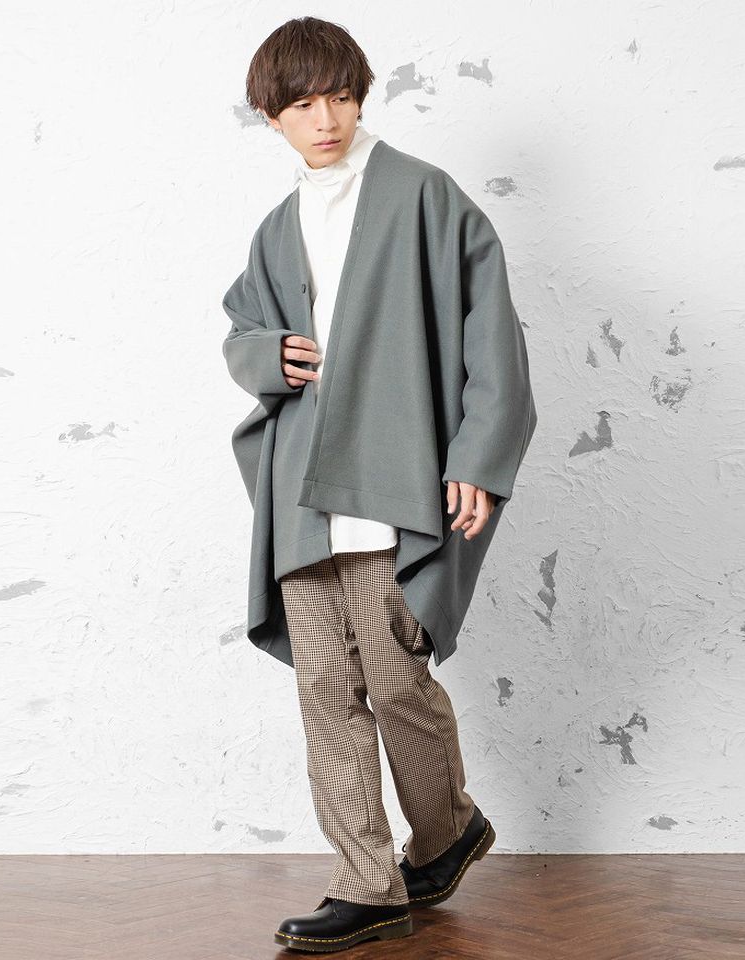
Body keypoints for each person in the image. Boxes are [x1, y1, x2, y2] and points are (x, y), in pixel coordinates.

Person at [221, 16, 537, 952]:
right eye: (302, 105)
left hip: (393, 482)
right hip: (304, 493)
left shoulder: (423, 196)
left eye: (340, 97)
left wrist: (478, 457)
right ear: (272, 118)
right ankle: (366, 882)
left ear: (362, 97)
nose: (325, 120)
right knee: (325, 687)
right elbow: (242, 333)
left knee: (397, 682)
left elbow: (492, 334)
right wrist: (266, 357)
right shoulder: (277, 229)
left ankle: (446, 832)